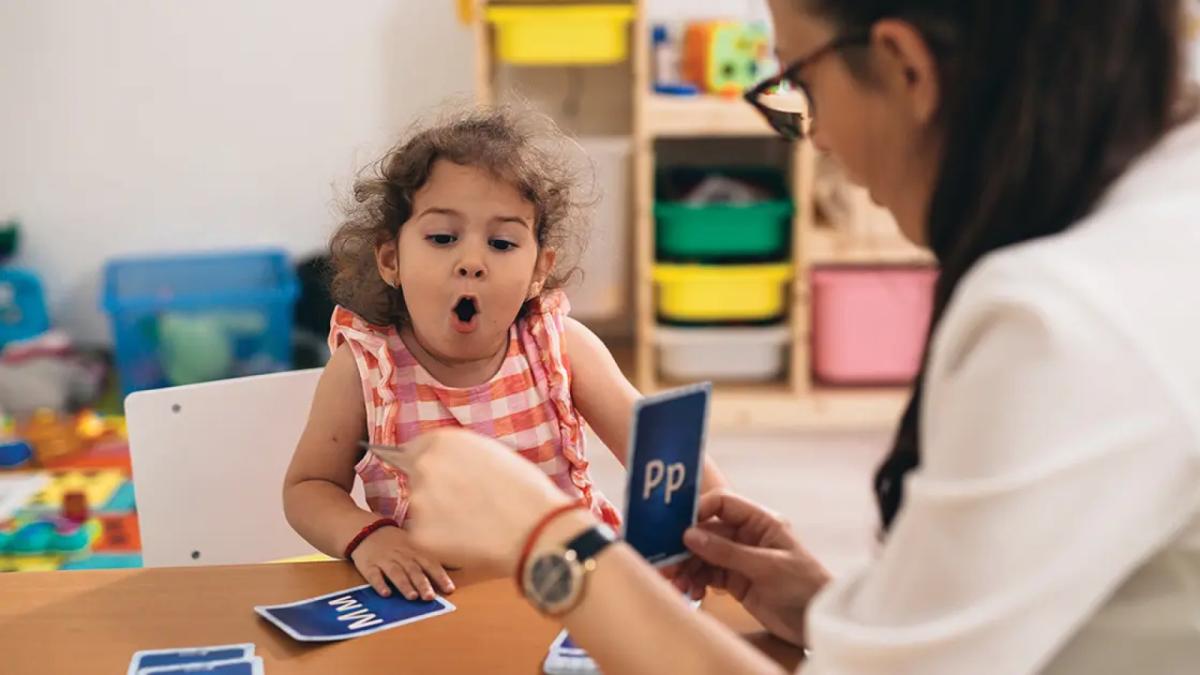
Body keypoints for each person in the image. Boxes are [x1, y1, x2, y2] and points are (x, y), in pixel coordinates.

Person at [365, 1, 1200, 673]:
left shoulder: (1061, 322)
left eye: (800, 80)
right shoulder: (1157, 212)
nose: (816, 135)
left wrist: (548, 541)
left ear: (906, 66)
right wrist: (830, 608)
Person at [281, 107, 728, 603]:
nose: (471, 262)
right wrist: (370, 536)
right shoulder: (365, 368)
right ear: (391, 260)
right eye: (443, 238)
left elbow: (662, 457)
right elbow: (309, 487)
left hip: (571, 589)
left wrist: (715, 521)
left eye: (501, 242)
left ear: (539, 269)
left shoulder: (560, 347)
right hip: (435, 598)